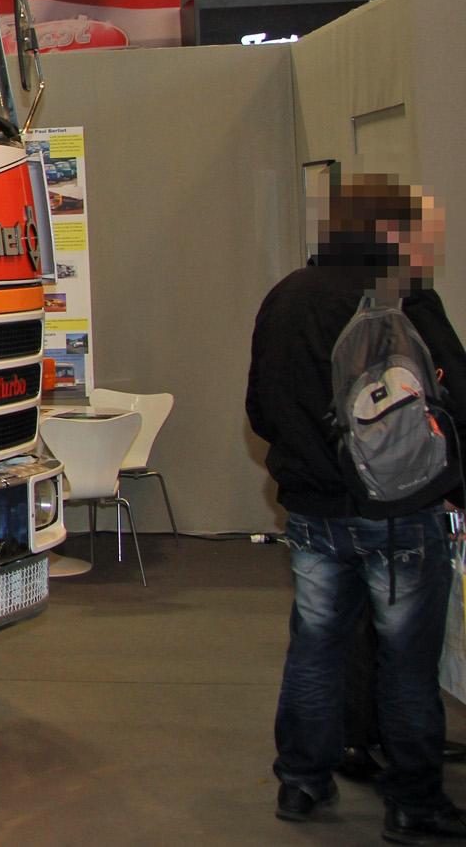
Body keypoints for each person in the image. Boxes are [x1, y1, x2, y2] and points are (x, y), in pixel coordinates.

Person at [247, 175, 466, 842]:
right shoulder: (404, 300)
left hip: (312, 513)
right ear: (391, 232)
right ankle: (414, 802)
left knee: (315, 648)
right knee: (406, 659)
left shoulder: (284, 296)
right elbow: (453, 398)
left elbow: (261, 409)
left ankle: (302, 779)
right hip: (399, 511)